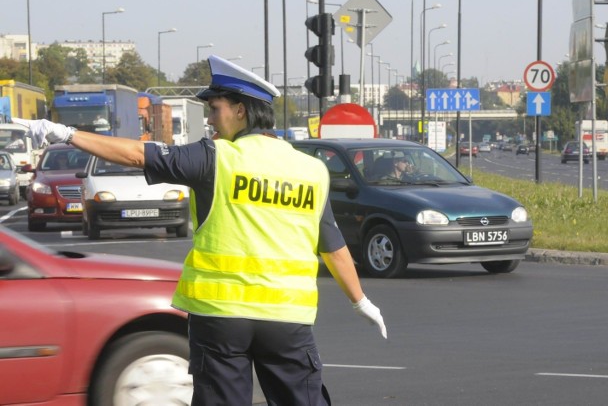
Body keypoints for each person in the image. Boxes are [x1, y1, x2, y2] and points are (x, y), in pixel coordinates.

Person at [14, 55, 386, 406]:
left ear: (241, 111)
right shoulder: (311, 170)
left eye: (215, 108)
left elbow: (135, 154)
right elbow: (333, 247)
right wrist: (360, 301)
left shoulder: (216, 156)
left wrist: (65, 134)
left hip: (221, 317)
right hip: (287, 320)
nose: (210, 119)